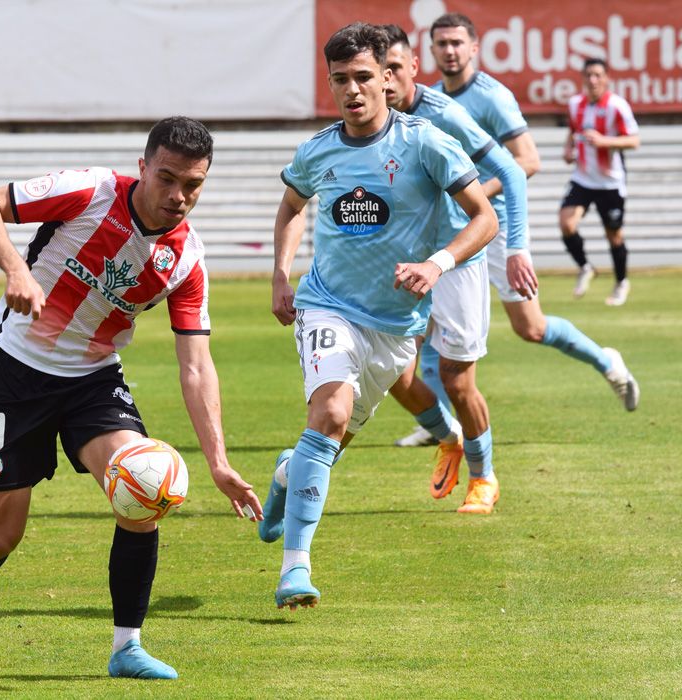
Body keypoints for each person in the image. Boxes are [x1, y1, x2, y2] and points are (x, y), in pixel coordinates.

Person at [0, 117, 263, 679]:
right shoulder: (90, 192)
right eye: (167, 179)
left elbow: (196, 364)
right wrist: (17, 270)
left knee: (145, 485)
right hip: (17, 374)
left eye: (193, 185)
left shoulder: (186, 259)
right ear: (142, 168)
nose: (178, 196)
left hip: (94, 380)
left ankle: (126, 647)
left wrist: (218, 462)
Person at [259, 23, 496, 609]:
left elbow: (484, 218)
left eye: (363, 76)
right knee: (331, 412)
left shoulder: (425, 143)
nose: (352, 90)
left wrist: (437, 265)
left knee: (329, 441)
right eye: (340, 80)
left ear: (388, 79)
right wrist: (281, 274)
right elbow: (291, 205)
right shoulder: (318, 150)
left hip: (396, 330)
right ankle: (295, 570)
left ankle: (288, 474)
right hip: (328, 306)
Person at [390, 11, 640, 448]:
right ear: (429, 51)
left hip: (495, 226)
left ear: (474, 48)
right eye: (441, 43)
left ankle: (607, 360)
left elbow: (526, 162)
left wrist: (473, 197)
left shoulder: (492, 97)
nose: (449, 51)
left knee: (531, 327)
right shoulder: (425, 98)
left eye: (457, 43)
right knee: (429, 321)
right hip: (445, 230)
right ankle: (442, 421)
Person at [379, 25, 533, 513]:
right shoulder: (369, 121)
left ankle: (484, 476)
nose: (383, 84)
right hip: (403, 257)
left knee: (456, 378)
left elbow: (512, 168)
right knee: (392, 373)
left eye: (393, 72)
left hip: (457, 257)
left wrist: (517, 247)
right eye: (374, 74)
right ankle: (447, 437)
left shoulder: (444, 113)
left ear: (412, 68)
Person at [560, 58, 640, 306]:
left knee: (614, 236)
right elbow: (573, 132)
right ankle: (585, 267)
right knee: (566, 224)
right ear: (583, 79)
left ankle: (621, 282)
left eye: (597, 75)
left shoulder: (617, 106)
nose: (592, 80)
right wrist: (568, 148)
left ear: (606, 79)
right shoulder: (575, 104)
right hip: (583, 178)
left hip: (610, 182)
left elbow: (634, 141)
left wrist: (605, 141)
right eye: (588, 75)